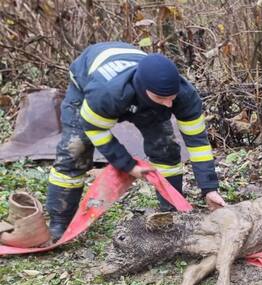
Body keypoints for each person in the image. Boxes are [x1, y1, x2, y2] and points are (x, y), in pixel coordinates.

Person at [46, 41, 226, 242]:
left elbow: (198, 144)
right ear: (142, 89)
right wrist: (128, 165)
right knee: (75, 150)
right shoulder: (107, 93)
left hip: (141, 92)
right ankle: (59, 223)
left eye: (172, 97)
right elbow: (95, 130)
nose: (169, 104)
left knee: (165, 148)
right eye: (162, 97)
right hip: (87, 80)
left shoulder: (184, 95)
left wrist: (209, 188)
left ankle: (171, 209)